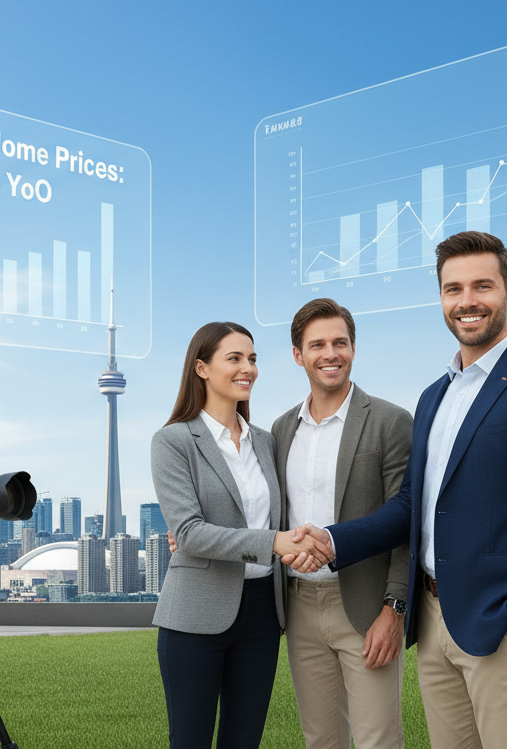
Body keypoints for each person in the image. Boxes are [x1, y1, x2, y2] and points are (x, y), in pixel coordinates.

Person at [289, 231, 507, 749]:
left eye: (483, 286)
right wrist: (332, 539)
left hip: (503, 626)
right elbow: (412, 506)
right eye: (453, 289)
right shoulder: (434, 396)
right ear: (440, 299)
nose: (467, 301)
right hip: (434, 623)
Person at [151, 321, 310, 749]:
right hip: (195, 614)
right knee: (190, 741)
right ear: (201, 368)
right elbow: (187, 532)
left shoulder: (266, 441)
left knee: (244, 741)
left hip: (261, 613)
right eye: (235, 358)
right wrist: (271, 542)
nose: (249, 369)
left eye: (253, 359)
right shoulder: (173, 441)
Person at [273, 298, 412, 749]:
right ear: (298, 355)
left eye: (340, 342)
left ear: (353, 348)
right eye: (318, 345)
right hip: (299, 607)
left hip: (367, 606)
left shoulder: (390, 422)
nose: (330, 353)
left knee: (378, 740)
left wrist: (394, 610)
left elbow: (405, 520)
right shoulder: (279, 431)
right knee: (320, 740)